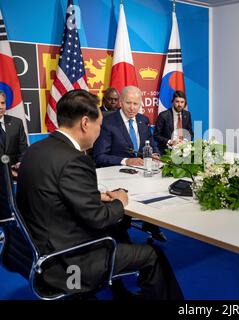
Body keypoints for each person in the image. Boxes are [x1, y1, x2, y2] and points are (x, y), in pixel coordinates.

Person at [16, 89, 183, 299]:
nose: (99, 131)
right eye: (100, 125)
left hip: (39, 247)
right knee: (153, 254)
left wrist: (96, 197)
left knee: (119, 230)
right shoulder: (75, 160)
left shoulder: (36, 150)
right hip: (67, 262)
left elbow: (54, 194)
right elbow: (98, 218)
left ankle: (120, 292)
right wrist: (120, 202)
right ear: (86, 123)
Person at [93, 85, 166, 242]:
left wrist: (155, 154)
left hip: (142, 174)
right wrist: (126, 160)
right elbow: (100, 156)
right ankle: (122, 233)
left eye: (136, 104)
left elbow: (151, 143)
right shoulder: (107, 122)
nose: (132, 108)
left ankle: (151, 224)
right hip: (116, 178)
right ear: (120, 101)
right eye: (128, 103)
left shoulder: (143, 120)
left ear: (140, 104)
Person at [154, 91, 194, 155]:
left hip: (183, 150)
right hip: (166, 150)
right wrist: (170, 142)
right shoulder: (163, 115)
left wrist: (184, 142)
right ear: (173, 102)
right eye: (177, 101)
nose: (179, 105)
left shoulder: (187, 114)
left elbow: (190, 132)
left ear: (185, 103)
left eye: (182, 102)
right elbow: (156, 135)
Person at [0, 90, 28, 178]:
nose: (0, 106)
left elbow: (23, 149)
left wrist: (20, 164)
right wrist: (9, 171)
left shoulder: (17, 123)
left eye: (2, 103)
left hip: (14, 177)